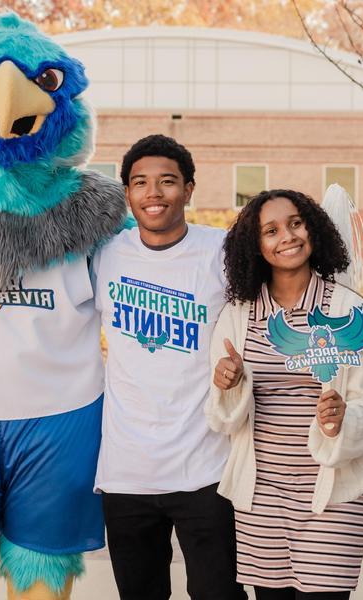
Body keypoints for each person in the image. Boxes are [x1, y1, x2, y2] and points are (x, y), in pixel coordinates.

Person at [209, 189, 363, 600]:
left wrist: (344, 417)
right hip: (262, 498)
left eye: (295, 223)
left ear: (313, 228)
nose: (286, 236)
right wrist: (227, 386)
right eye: (270, 230)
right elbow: (221, 417)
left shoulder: (345, 309)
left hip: (332, 495)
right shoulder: (239, 314)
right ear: (255, 245)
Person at [92, 135, 245, 600]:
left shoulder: (221, 251)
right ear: (127, 194)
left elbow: (280, 304)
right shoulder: (105, 255)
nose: (153, 193)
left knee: (218, 594)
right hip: (126, 470)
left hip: (206, 466)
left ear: (189, 189)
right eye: (140, 183)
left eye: (167, 182)